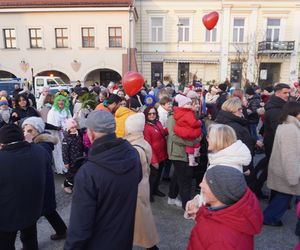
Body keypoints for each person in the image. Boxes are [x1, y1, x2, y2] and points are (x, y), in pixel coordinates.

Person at [64, 110, 142, 250]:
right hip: (124, 238)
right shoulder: (132, 154)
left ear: (92, 133)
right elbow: (138, 178)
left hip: (98, 243)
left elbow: (80, 226)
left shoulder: (88, 172)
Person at [187, 165, 263, 250]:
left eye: (206, 182)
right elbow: (215, 219)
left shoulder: (222, 242)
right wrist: (199, 213)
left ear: (219, 193)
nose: (200, 184)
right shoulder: (228, 212)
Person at [0, 124, 47, 250]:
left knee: (5, 243)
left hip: (6, 215)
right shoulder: (39, 151)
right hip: (33, 207)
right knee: (30, 237)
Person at [22, 117, 67, 240]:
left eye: (30, 130)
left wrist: (28, 145)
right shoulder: (35, 142)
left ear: (38, 131)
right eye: (24, 130)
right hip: (40, 182)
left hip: (43, 183)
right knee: (48, 210)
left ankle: (30, 245)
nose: (26, 133)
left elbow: (41, 158)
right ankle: (62, 230)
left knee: (41, 212)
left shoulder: (43, 143)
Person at [124, 113, 160, 250]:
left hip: (136, 191)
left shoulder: (134, 149)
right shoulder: (142, 142)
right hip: (142, 186)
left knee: (142, 225)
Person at [263, 102, 300, 226]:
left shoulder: (288, 125)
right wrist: (293, 177)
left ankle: (269, 217)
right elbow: (290, 156)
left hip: (283, 170)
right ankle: (269, 218)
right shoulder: (291, 129)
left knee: (284, 197)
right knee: (284, 196)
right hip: (288, 171)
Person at [254, 83, 290, 197]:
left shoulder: (278, 105)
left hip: (272, 141)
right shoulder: (276, 108)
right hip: (274, 142)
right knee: (272, 169)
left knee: (269, 166)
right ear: (277, 93)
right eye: (285, 92)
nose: (288, 95)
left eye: (288, 92)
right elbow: (278, 130)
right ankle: (261, 190)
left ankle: (257, 187)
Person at [167, 97, 198, 210]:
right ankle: (187, 207)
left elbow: (195, 130)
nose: (190, 105)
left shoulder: (190, 115)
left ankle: (172, 197)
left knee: (178, 176)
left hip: (187, 152)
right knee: (185, 179)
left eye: (190, 103)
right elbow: (173, 136)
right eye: (188, 103)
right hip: (178, 152)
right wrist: (191, 142)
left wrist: (197, 137)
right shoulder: (172, 117)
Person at [144, 107, 168, 202]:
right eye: (149, 114)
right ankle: (149, 194)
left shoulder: (158, 123)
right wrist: (154, 161)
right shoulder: (146, 127)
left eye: (153, 113)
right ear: (146, 115)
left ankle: (155, 190)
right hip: (154, 156)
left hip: (161, 154)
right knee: (152, 177)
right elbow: (148, 145)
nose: (152, 115)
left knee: (158, 176)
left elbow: (162, 133)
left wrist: (170, 128)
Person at [173, 94, 201, 167]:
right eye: (188, 104)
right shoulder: (188, 113)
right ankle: (195, 154)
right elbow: (193, 122)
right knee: (194, 144)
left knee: (190, 148)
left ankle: (192, 160)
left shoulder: (178, 113)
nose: (189, 105)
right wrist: (199, 123)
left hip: (184, 131)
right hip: (190, 132)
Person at [47, 93, 72, 174]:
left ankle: (67, 167)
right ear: (56, 102)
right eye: (59, 100)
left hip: (66, 133)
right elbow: (50, 123)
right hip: (56, 134)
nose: (61, 102)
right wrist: (57, 128)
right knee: (58, 150)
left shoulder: (67, 110)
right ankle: (60, 168)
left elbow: (70, 120)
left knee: (66, 150)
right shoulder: (52, 111)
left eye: (63, 100)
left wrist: (69, 128)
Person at [62, 118, 84, 194]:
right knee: (71, 174)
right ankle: (66, 185)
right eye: (72, 128)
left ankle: (77, 185)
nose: (74, 129)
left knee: (79, 172)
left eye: (75, 127)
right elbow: (65, 151)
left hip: (80, 158)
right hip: (72, 160)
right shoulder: (66, 139)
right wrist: (66, 162)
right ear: (69, 129)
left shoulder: (78, 135)